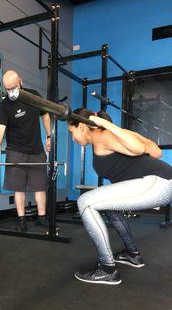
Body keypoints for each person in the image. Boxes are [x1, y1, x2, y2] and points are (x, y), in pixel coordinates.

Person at [68, 108, 172, 285]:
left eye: (72, 132)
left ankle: (107, 269)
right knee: (107, 206)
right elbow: (155, 151)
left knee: (84, 202)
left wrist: (106, 125)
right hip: (162, 182)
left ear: (83, 126)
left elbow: (140, 149)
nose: (73, 138)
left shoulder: (103, 135)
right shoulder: (109, 137)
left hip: (157, 183)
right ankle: (132, 255)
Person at [0, 70, 51, 231]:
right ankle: (22, 219)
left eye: (13, 87)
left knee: (40, 186)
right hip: (16, 150)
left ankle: (42, 217)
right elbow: (0, 129)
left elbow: (45, 115)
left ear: (21, 82)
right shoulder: (4, 105)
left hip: (36, 149)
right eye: (7, 89)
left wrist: (49, 136)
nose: (11, 92)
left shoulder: (33, 96)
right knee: (19, 188)